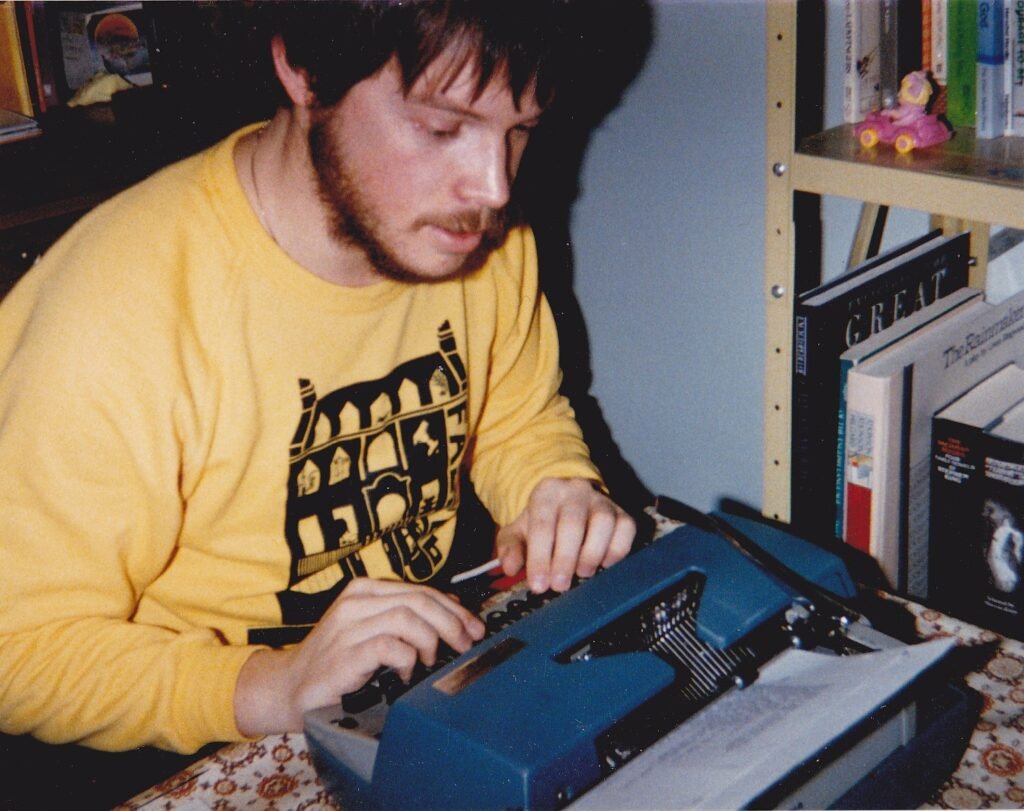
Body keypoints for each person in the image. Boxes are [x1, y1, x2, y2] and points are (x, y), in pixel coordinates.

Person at [0, 0, 636, 766]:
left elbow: (517, 413)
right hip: (196, 726)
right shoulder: (112, 311)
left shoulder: (481, 240)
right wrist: (274, 684)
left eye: (520, 130)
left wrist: (552, 484)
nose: (494, 188)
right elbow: (18, 648)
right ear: (304, 70)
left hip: (409, 687)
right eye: (441, 128)